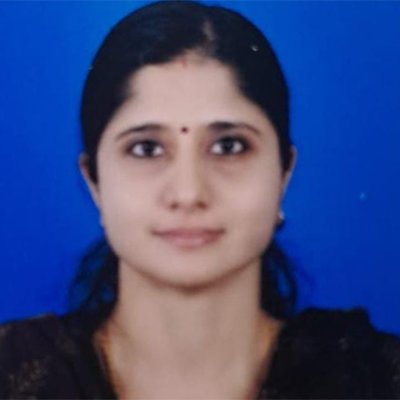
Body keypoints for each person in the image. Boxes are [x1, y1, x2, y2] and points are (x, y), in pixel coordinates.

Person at [0, 1, 399, 399]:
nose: (189, 194)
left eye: (229, 146)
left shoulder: (374, 379)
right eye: (146, 149)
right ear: (94, 181)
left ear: (284, 172)